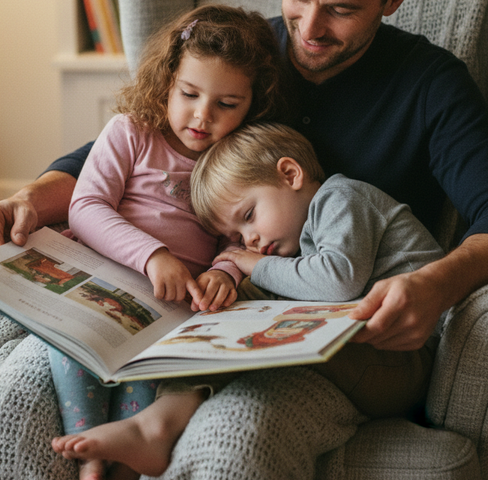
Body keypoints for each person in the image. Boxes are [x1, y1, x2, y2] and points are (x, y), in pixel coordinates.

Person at [0, 0, 488, 477]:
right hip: (186, 304)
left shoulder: (429, 83)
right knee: (7, 409)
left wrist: (435, 283)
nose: (309, 26)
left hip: (325, 337)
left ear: (391, 2)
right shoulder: (247, 52)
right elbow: (129, 143)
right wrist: (30, 198)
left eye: (342, 8)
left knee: (232, 439)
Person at [52, 121, 447, 477]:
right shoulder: (297, 239)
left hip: (403, 356)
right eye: (238, 238)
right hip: (363, 351)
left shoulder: (341, 198)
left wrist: (251, 265)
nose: (250, 240)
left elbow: (337, 282)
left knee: (258, 342)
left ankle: (154, 427)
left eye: (249, 216)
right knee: (228, 329)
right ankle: (155, 427)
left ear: (290, 174)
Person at [45, 6, 288, 480]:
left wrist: (224, 272)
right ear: (167, 81)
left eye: (227, 104)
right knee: (70, 346)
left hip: (170, 314)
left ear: (253, 104)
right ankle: (89, 447)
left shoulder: (234, 163)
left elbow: (238, 239)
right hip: (99, 289)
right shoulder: (131, 133)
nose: (203, 116)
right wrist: (154, 257)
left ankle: (121, 456)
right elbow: (87, 205)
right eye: (189, 93)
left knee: (151, 386)